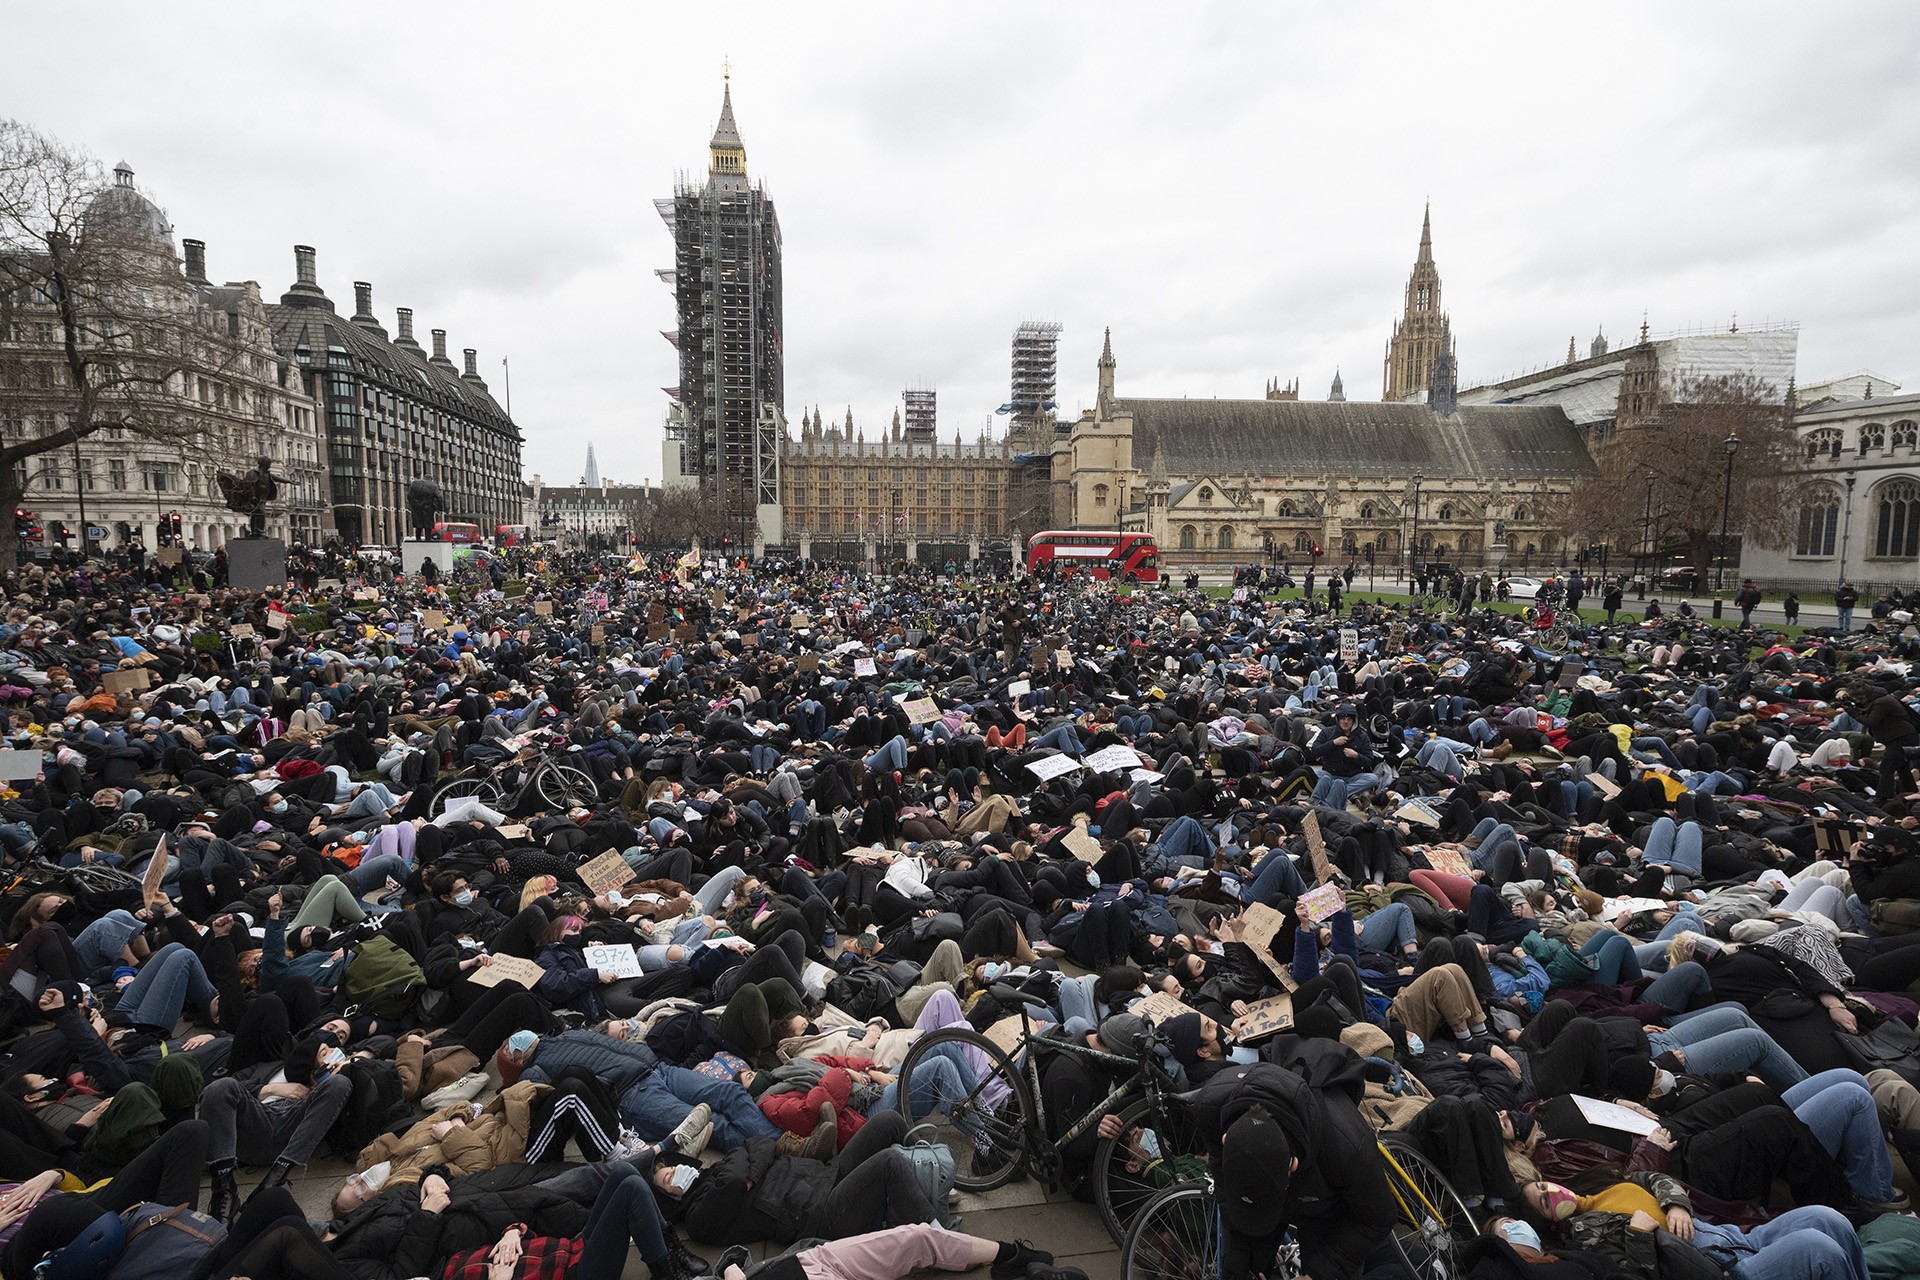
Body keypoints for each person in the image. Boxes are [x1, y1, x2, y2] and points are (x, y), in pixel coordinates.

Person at [1192, 1061, 1396, 1280]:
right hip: (1279, 1183)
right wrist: (1240, 1265)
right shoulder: (1210, 1109)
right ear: (1225, 1139)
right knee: (1241, 1267)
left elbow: (1378, 1219)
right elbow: (1226, 1189)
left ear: (1293, 1164)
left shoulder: (1349, 1147)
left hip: (1326, 1201)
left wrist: (1317, 1275)